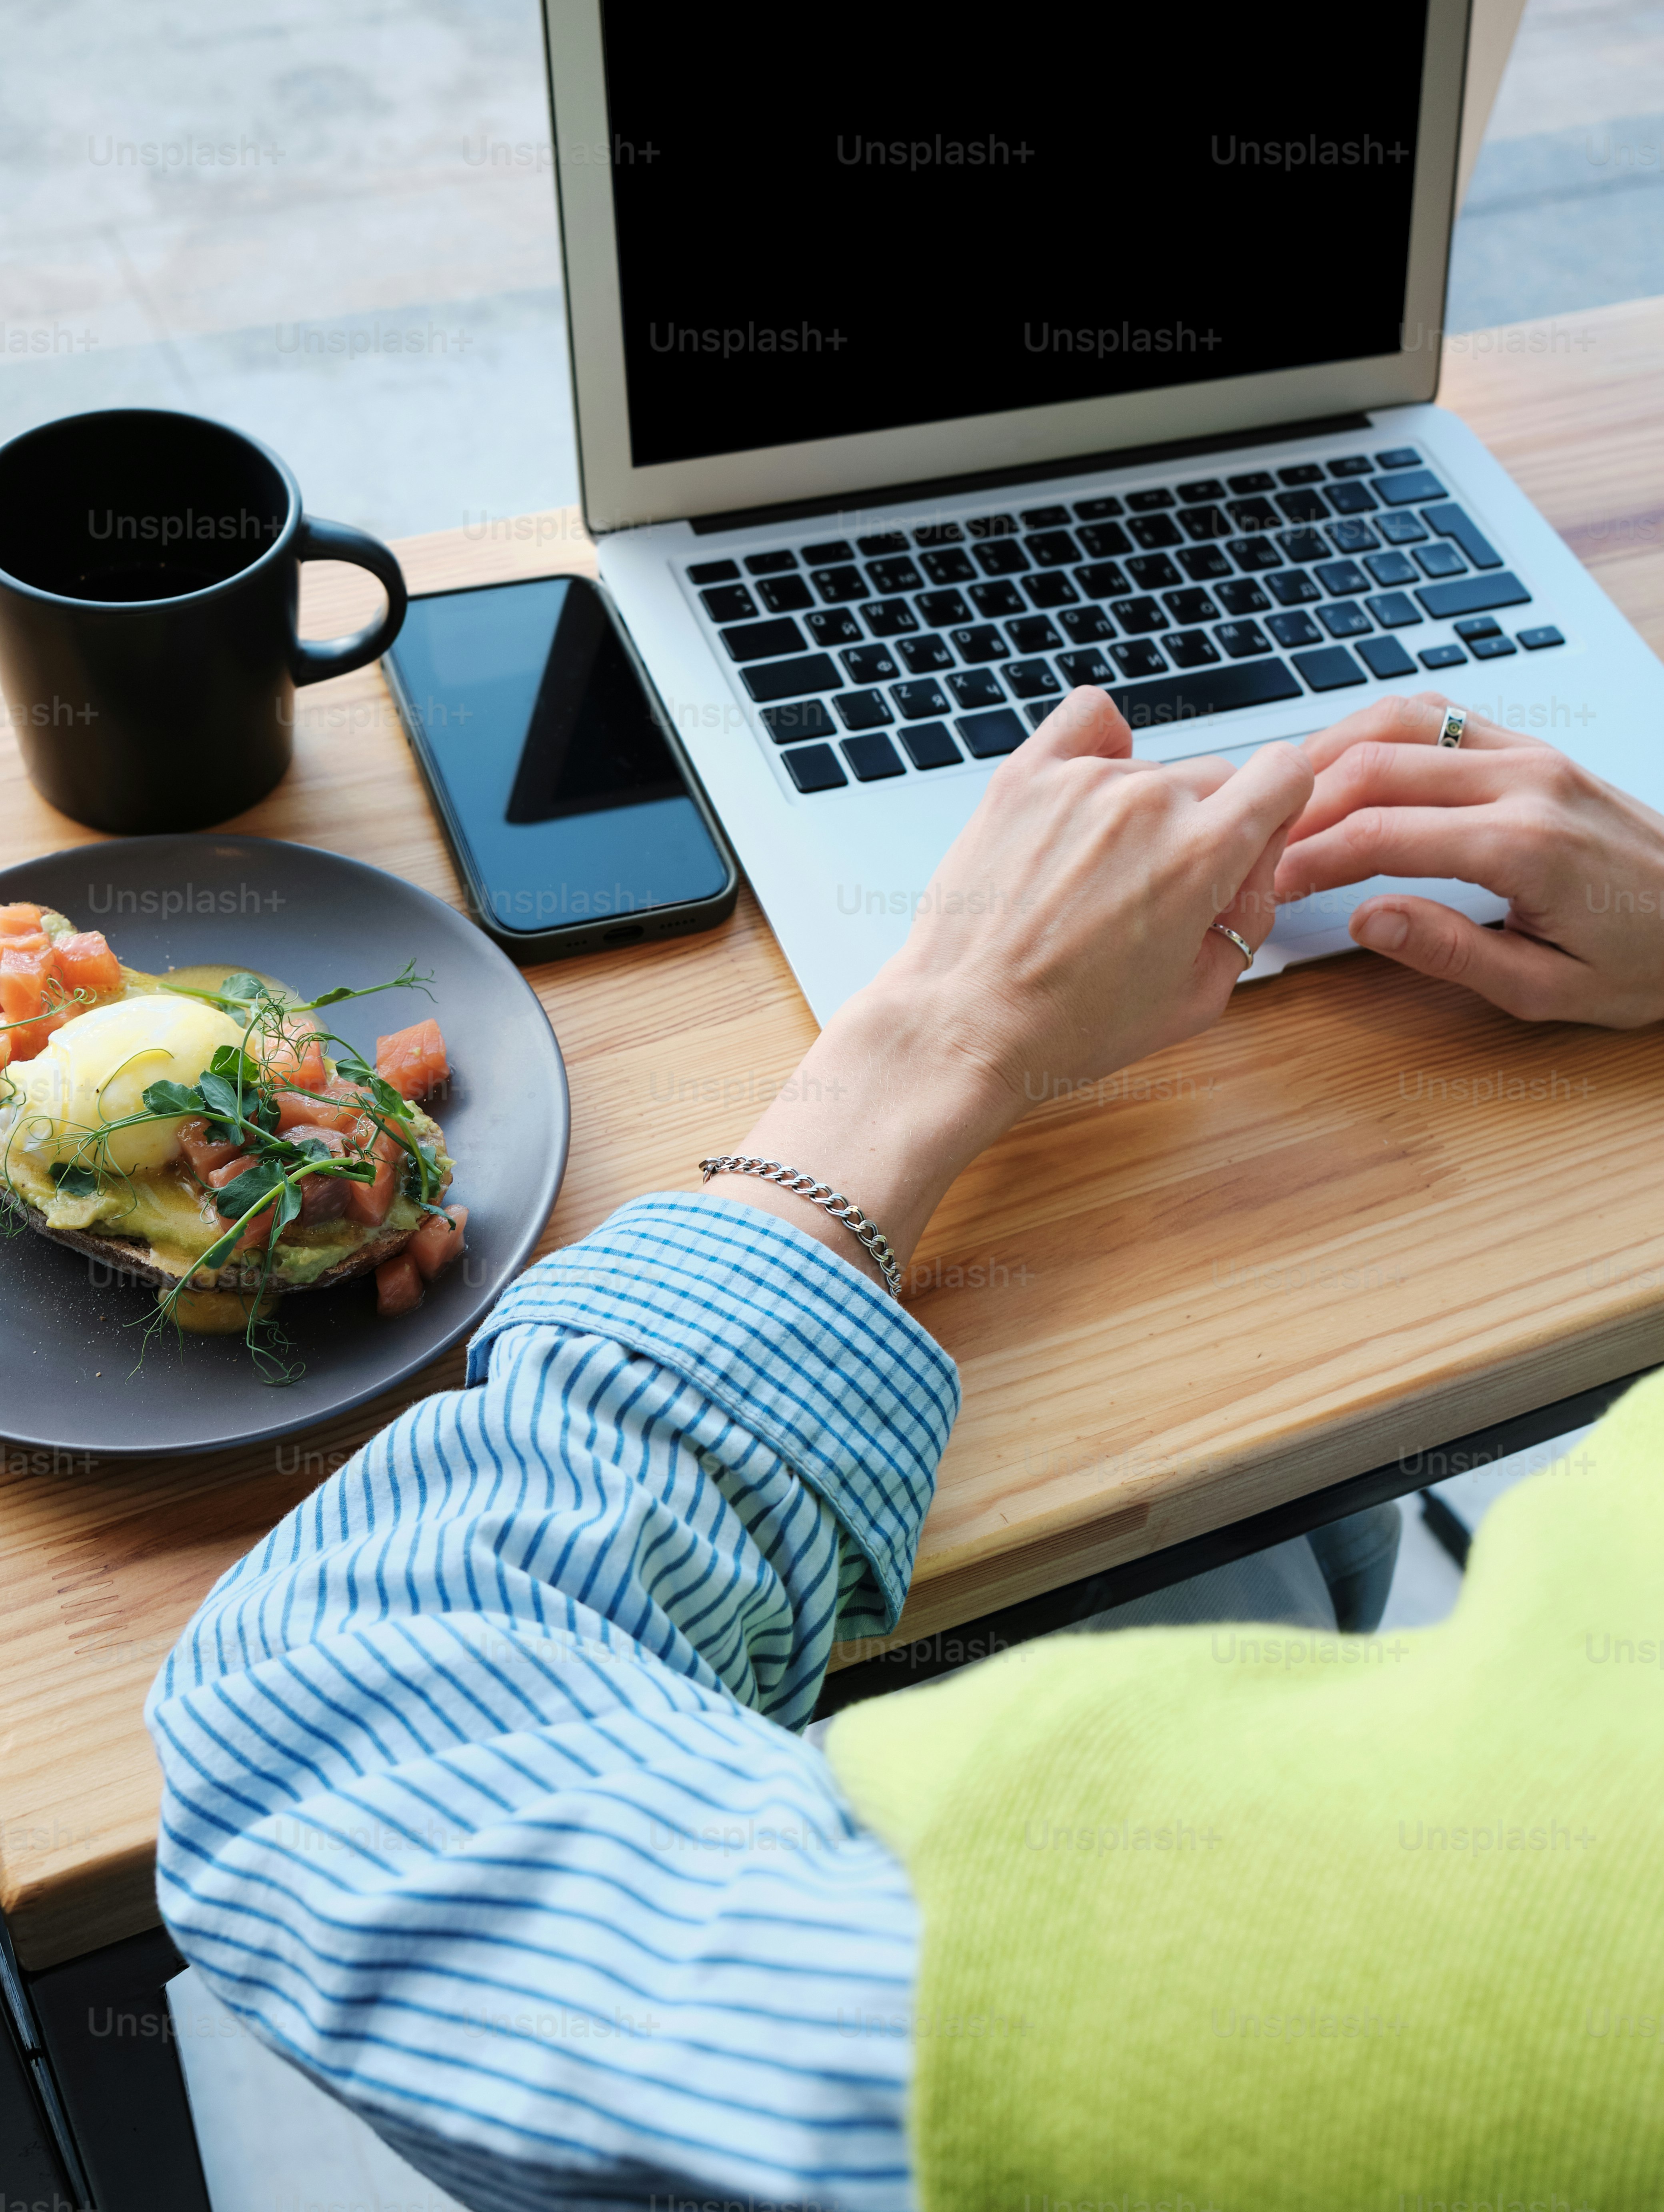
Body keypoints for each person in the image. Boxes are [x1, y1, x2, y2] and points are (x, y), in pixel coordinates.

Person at [147, 689, 1664, 2212]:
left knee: (1226, 1540)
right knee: (1290, 1523)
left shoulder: (1347, 2023)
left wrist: (946, 1020)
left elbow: (318, 1748)